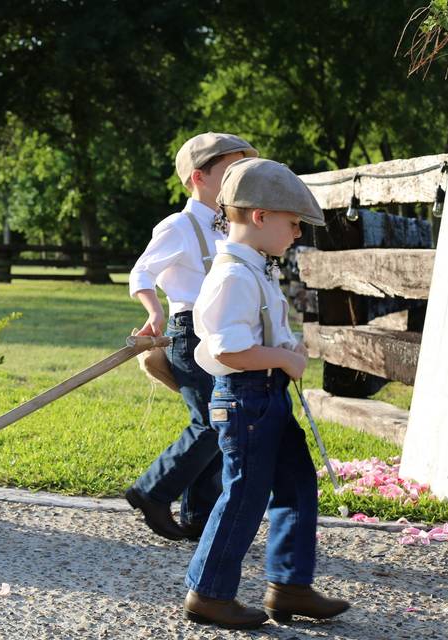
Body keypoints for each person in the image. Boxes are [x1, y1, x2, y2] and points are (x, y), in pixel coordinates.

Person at [183, 157, 350, 629]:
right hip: (245, 399)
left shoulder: (254, 269)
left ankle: (289, 584)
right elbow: (230, 351)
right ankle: (209, 593)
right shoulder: (234, 275)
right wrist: (283, 358)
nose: (297, 233)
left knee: (297, 483)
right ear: (260, 216)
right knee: (245, 494)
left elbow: (254, 332)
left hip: (265, 397)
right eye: (293, 223)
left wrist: (284, 345)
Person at [125, 132, 258, 541]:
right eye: (230, 171)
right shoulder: (179, 226)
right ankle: (151, 491)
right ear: (199, 178)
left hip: (223, 335)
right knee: (215, 421)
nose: (240, 179)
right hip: (190, 336)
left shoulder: (230, 227)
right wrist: (155, 311)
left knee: (226, 421)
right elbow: (141, 272)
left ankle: (201, 517)